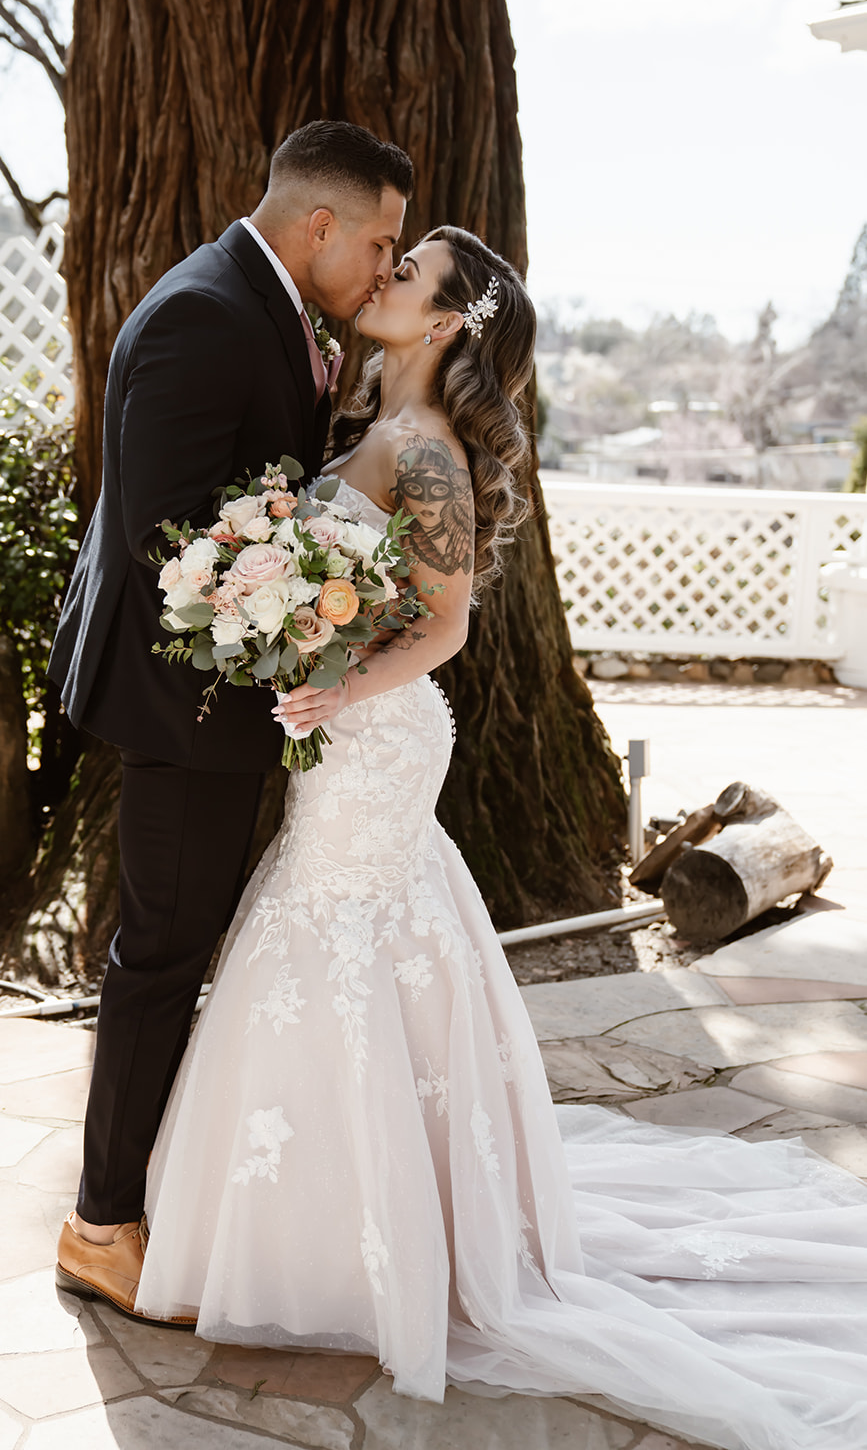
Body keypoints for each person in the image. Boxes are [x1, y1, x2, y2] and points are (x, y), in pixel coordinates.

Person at [127, 227, 867, 1450]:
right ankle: (343, 1211)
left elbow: (449, 626)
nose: (385, 279)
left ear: (445, 322)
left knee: (343, 926)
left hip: (380, 729)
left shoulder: (423, 450)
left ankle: (365, 1241)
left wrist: (329, 689)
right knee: (330, 926)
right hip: (349, 728)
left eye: (407, 274)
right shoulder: (368, 428)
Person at [48, 120, 414, 1313]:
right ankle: (101, 1226)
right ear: (320, 224)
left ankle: (137, 1185)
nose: (380, 266)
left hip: (221, 700)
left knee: (181, 944)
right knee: (157, 956)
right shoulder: (205, 311)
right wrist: (305, 591)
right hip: (179, 706)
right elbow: (172, 539)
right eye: (378, 240)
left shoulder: (273, 310)